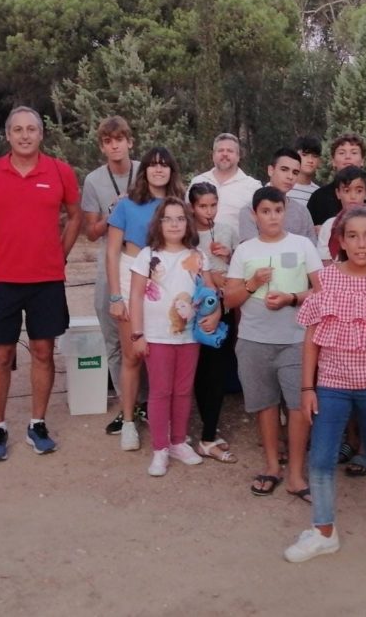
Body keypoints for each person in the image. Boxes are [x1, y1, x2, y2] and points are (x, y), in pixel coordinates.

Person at [284, 206, 366, 564]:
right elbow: (312, 337)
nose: (361, 243)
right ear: (341, 240)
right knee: (320, 459)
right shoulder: (328, 277)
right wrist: (307, 388)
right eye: (352, 236)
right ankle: (324, 531)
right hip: (332, 385)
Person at [0, 106, 82, 460]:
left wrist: (59, 255)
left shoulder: (60, 172)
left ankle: (37, 424)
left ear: (41, 134)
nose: (25, 135)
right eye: (18, 130)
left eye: (31, 129)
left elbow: (75, 216)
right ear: (8, 135)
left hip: (46, 280)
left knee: (44, 353)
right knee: (0, 354)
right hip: (1, 279)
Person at [224, 187, 322, 500]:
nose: (272, 217)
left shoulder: (302, 245)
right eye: (265, 211)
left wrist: (292, 298)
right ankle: (271, 466)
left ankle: (295, 473)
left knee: (297, 407)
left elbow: (323, 291)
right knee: (264, 405)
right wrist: (253, 284)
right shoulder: (245, 251)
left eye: (277, 211)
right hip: (254, 340)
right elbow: (229, 298)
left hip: (295, 340)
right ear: (255, 215)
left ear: (285, 211)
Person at [128, 198, 222, 476]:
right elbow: (134, 295)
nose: (174, 224)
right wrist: (137, 333)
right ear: (158, 223)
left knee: (183, 390)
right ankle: (160, 448)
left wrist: (213, 312)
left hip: (189, 337)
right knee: (160, 392)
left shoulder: (197, 255)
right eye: (167, 219)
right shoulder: (147, 255)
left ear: (187, 222)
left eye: (180, 218)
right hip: (157, 336)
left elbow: (210, 292)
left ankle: (178, 442)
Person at [107, 147, 186, 451]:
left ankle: (167, 424)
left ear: (171, 171)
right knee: (133, 355)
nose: (158, 170)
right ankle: (128, 421)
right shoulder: (127, 205)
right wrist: (116, 295)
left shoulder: (178, 205)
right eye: (152, 165)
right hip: (131, 276)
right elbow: (112, 251)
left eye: (164, 165)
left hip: (168, 277)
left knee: (166, 352)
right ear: (145, 171)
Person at [80, 116, 144, 436]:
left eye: (120, 139)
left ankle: (149, 403)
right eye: (107, 141)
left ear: (130, 142)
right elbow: (90, 233)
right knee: (113, 340)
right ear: (102, 146)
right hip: (111, 268)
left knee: (149, 337)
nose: (114, 145)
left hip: (147, 266)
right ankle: (127, 406)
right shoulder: (94, 180)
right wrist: (112, 214)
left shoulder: (147, 170)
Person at [189, 182, 238, 462]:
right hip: (195, 309)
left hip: (224, 305)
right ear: (192, 207)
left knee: (218, 370)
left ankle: (209, 431)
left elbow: (238, 269)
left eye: (213, 205)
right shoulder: (186, 233)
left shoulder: (228, 231)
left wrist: (228, 256)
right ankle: (202, 433)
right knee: (198, 371)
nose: (209, 211)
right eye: (202, 206)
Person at [307, 133, 366, 226]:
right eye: (342, 153)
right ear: (333, 161)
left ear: (362, 160)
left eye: (354, 152)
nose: (348, 157)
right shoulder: (319, 198)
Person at [239, 149, 317, 243]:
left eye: (295, 172)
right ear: (271, 170)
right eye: (284, 170)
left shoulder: (302, 212)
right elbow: (251, 250)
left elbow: (311, 249)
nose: (290, 176)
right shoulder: (250, 211)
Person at [188, 133, 261, 227]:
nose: (225, 154)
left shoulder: (252, 187)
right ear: (213, 155)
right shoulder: (197, 181)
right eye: (220, 150)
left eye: (230, 151)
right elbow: (188, 215)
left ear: (238, 156)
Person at [316, 166, 366, 264]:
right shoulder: (329, 226)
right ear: (338, 193)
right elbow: (325, 262)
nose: (353, 197)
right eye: (346, 191)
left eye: (359, 191)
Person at [287, 135, 322, 207]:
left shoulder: (319, 193)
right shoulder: (281, 187)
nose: (310, 160)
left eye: (315, 156)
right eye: (304, 155)